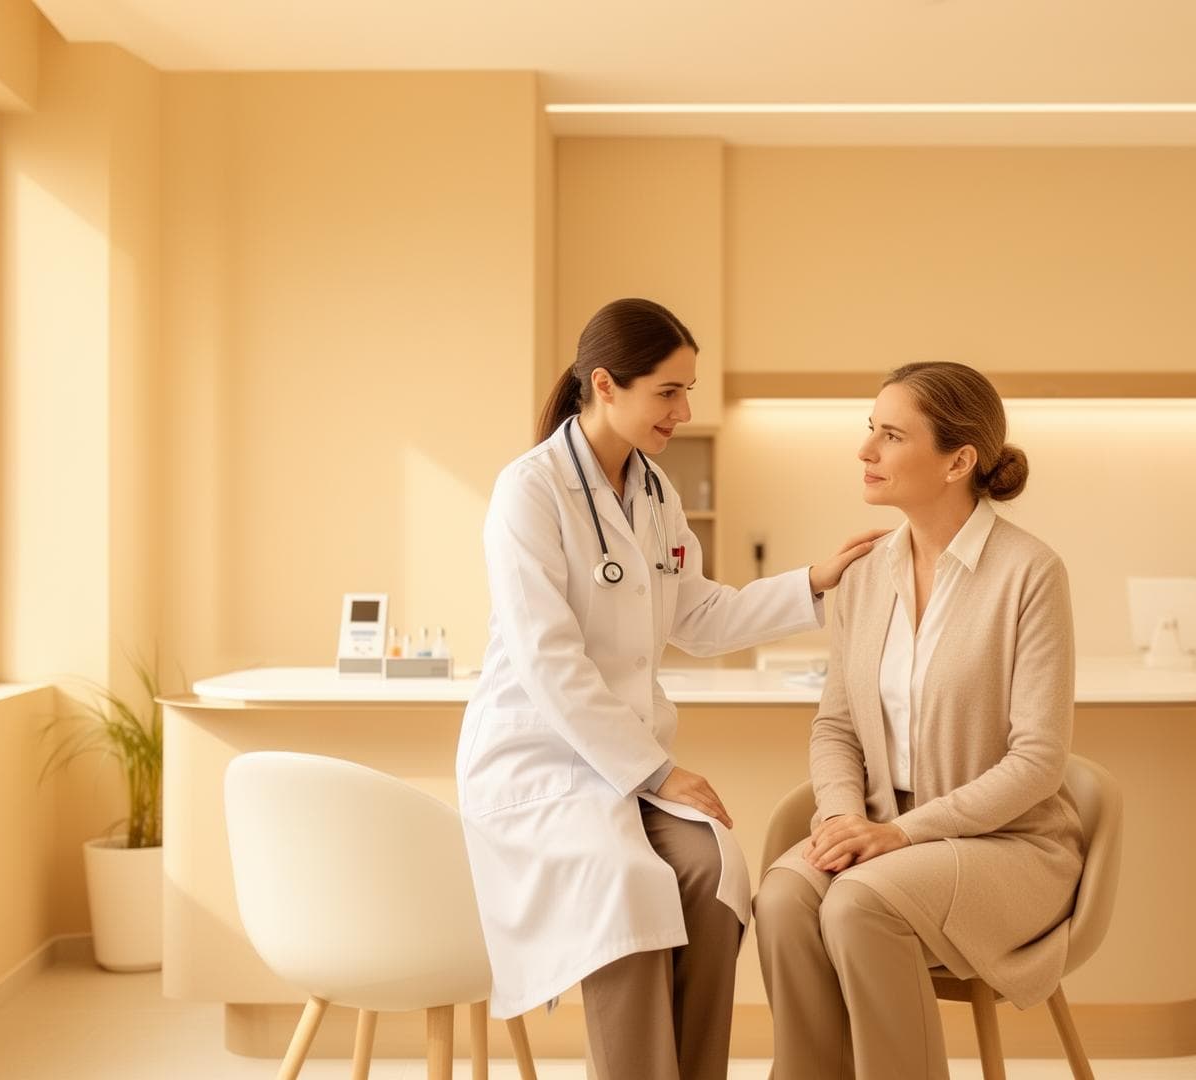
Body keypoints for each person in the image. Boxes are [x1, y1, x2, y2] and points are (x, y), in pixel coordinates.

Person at [456, 297, 883, 1080]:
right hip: (539, 763)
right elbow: (550, 662)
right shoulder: (530, 491)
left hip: (621, 769)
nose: (684, 410)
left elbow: (702, 615)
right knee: (624, 891)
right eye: (669, 391)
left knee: (715, 876)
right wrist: (659, 771)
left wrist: (812, 583)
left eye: (689, 390)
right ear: (607, 385)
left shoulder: (653, 492)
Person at [753, 361, 1085, 1080]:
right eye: (869, 430)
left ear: (958, 461)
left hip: (1007, 846)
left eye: (892, 435)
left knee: (856, 907)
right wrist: (845, 820)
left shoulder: (1030, 572)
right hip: (880, 830)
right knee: (782, 899)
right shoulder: (865, 574)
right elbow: (836, 727)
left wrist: (899, 833)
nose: (866, 450)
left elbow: (1037, 761)